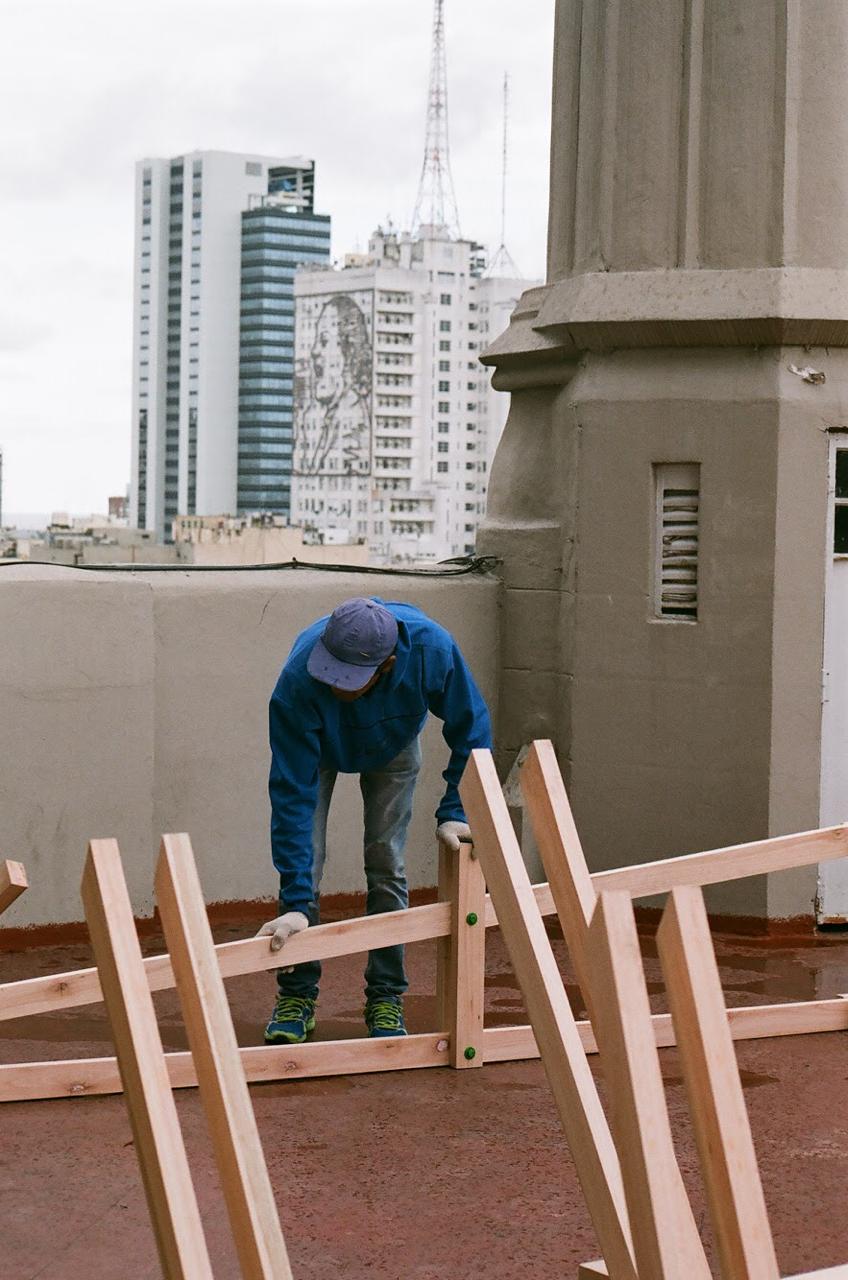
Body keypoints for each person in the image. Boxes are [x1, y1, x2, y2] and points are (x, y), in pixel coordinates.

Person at [258, 596, 492, 1044]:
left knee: (386, 862)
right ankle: (296, 995)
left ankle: (386, 996)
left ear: (388, 664)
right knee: (306, 863)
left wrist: (457, 810)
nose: (336, 685)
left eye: (349, 679)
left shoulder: (432, 650)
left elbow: (473, 728)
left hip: (393, 744)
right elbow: (291, 794)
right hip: (317, 747)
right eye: (331, 672)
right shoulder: (299, 680)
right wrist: (296, 903)